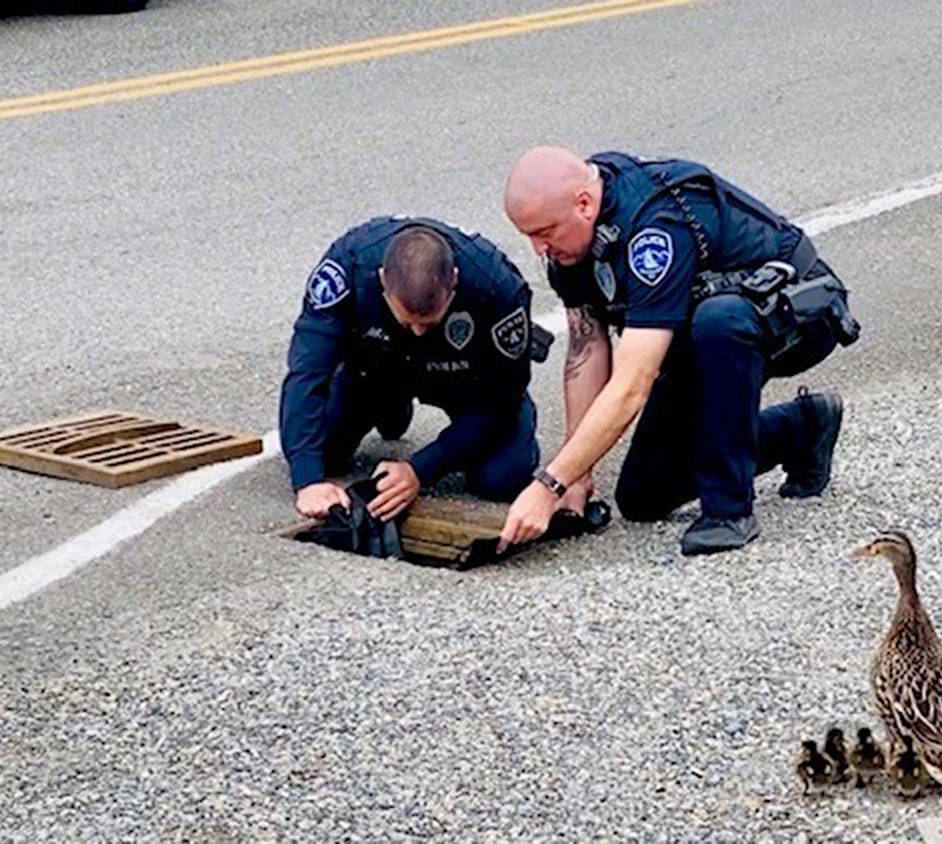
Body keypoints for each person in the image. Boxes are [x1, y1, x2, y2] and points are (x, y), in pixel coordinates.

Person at [497, 147, 860, 555]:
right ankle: (802, 427)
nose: (538, 250)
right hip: (698, 331)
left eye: (544, 233)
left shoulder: (655, 228)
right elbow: (587, 347)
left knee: (721, 322)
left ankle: (729, 509)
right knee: (643, 496)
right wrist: (575, 472)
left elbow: (634, 383)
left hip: (800, 313)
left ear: (584, 204)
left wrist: (548, 485)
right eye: (528, 235)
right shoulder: (573, 236)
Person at [280, 217, 541, 522]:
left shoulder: (497, 288)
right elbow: (307, 372)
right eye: (408, 322)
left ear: (454, 281)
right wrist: (308, 481)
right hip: (378, 366)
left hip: (465, 379)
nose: (418, 331)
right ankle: (388, 406)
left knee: (503, 477)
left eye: (428, 323)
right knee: (314, 452)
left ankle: (399, 405)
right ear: (382, 280)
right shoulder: (348, 268)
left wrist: (421, 468)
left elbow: (503, 398)